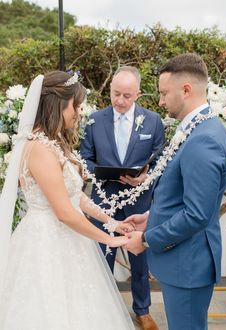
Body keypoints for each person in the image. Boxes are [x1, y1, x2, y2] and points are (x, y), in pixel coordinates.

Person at [0, 71, 136, 329]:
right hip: (46, 242)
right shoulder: (39, 149)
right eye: (76, 105)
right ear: (58, 105)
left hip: (71, 239)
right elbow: (63, 211)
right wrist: (109, 240)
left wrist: (112, 223)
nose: (79, 113)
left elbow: (76, 199)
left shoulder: (54, 142)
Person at [124, 53, 226, 330]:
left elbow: (196, 214)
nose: (160, 101)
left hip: (189, 265)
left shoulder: (204, 140)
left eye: (164, 93)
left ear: (186, 90)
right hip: (185, 260)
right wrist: (151, 216)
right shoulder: (198, 129)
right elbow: (180, 195)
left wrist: (147, 239)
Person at [80, 66, 165, 330]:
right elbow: (84, 160)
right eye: (116, 94)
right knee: (101, 258)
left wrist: (143, 178)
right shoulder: (94, 120)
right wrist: (104, 173)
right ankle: (99, 309)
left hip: (139, 203)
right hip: (103, 201)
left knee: (140, 261)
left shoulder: (153, 121)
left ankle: (142, 310)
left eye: (127, 95)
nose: (120, 100)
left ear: (138, 94)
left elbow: (161, 161)